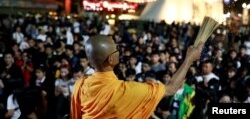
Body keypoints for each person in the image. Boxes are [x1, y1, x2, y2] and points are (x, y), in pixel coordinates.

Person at [70, 35, 203, 119]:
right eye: (116, 50)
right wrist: (189, 59)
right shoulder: (125, 90)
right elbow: (170, 89)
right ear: (111, 59)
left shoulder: (80, 84)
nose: (119, 52)